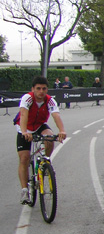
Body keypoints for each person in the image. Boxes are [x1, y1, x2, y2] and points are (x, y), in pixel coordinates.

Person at [15, 76, 67, 204]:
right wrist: (24, 132)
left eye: (44, 89)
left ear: (47, 89)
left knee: (49, 137)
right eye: (38, 88)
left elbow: (56, 115)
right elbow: (23, 115)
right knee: (24, 159)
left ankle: (45, 163)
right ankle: (24, 190)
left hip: (39, 125)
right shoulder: (27, 98)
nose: (41, 91)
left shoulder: (50, 101)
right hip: (24, 126)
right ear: (33, 89)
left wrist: (62, 130)